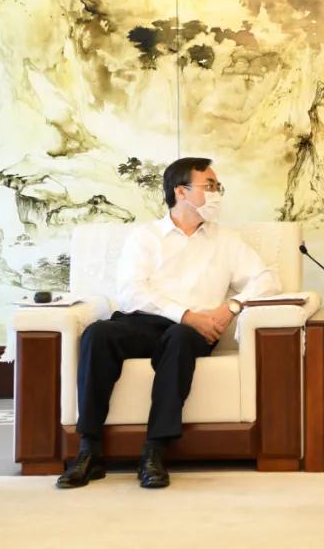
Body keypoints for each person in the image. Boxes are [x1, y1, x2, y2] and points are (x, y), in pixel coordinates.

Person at [57, 157, 279, 489]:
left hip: (194, 332)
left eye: (218, 186)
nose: (217, 193)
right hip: (144, 322)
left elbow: (268, 279)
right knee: (97, 334)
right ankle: (89, 452)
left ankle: (154, 452)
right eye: (209, 186)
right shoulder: (145, 237)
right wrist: (184, 313)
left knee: (179, 337)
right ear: (181, 191)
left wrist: (232, 306)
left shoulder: (226, 240)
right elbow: (131, 293)